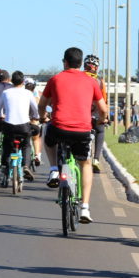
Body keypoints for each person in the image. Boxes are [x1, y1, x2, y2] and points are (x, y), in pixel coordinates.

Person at [39, 47, 108, 223]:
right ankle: (85, 208)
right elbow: (102, 109)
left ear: (65, 62)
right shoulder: (92, 82)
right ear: (80, 63)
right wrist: (102, 120)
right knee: (85, 163)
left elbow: (42, 104)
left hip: (59, 128)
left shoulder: (54, 79)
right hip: (82, 131)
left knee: (48, 135)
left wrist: (42, 116)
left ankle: (54, 169)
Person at [0, 71, 39, 181]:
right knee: (26, 144)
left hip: (9, 126)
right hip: (24, 126)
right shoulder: (28, 93)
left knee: (7, 144)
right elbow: (35, 109)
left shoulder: (6, 92)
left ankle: (5, 165)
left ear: (12, 80)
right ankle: (26, 165)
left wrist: (1, 115)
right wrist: (36, 116)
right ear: (23, 81)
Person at [84, 55, 108, 173]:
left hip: (81, 116)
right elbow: (104, 100)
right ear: (96, 68)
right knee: (100, 131)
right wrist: (105, 117)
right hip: (96, 115)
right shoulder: (100, 81)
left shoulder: (79, 78)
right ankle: (96, 159)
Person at [24, 77, 43, 166]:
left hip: (22, 122)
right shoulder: (36, 97)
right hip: (33, 121)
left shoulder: (21, 96)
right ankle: (37, 155)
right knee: (36, 138)